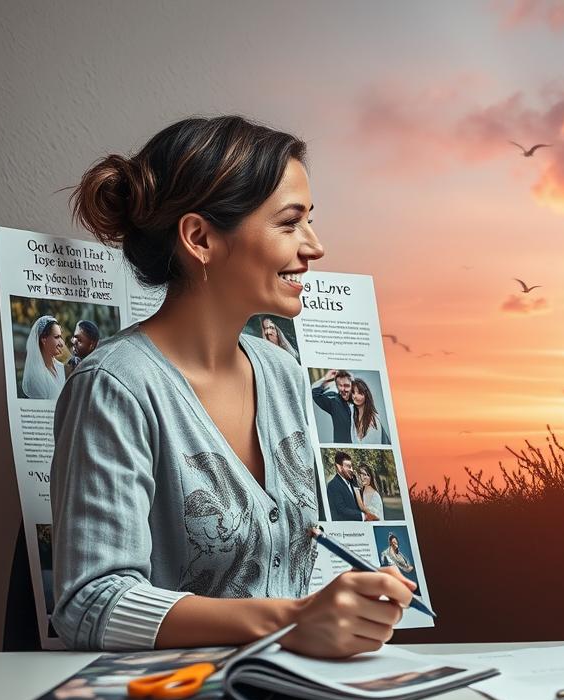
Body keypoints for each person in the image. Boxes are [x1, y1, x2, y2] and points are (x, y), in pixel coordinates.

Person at [54, 115, 415, 658]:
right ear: (200, 239)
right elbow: (92, 602)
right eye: (290, 223)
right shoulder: (115, 386)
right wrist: (293, 621)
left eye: (309, 221)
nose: (315, 247)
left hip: (293, 695)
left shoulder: (283, 372)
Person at [21, 315, 67, 399]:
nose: (61, 343)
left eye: (60, 337)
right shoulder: (35, 376)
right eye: (57, 337)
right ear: (44, 340)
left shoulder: (62, 368)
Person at [312, 368, 355, 442]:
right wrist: (326, 379)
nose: (343, 389)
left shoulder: (360, 402)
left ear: (353, 386)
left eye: (346, 385)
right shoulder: (335, 402)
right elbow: (316, 394)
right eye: (340, 385)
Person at [326, 451, 365, 522]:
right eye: (348, 466)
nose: (352, 470)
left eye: (352, 466)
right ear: (339, 467)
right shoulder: (333, 485)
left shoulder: (352, 482)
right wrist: (363, 516)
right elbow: (341, 510)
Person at [350, 377, 390, 445]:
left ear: (366, 394)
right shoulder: (352, 416)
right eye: (353, 392)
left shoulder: (375, 419)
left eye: (359, 392)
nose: (355, 396)